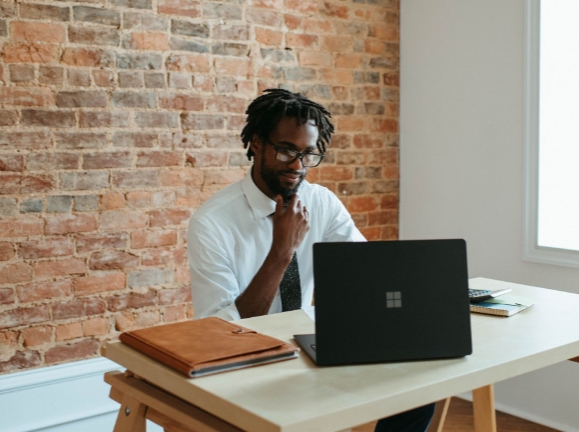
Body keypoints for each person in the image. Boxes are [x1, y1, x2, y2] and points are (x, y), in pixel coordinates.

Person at [186, 88, 435, 432]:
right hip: (247, 360)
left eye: (308, 154)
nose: (298, 166)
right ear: (256, 143)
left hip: (308, 344)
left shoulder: (322, 203)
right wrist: (282, 251)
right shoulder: (212, 222)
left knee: (419, 387)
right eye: (286, 150)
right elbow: (221, 332)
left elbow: (366, 272)